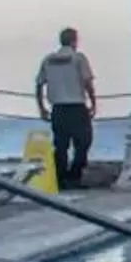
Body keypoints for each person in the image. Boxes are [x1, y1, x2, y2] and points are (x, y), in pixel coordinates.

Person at [36, 26, 98, 188]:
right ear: (73, 41)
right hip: (76, 106)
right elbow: (87, 83)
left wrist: (41, 107)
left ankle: (61, 177)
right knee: (83, 141)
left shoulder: (49, 59)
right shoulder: (78, 59)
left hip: (58, 108)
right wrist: (93, 102)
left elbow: (39, 84)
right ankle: (74, 175)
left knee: (61, 145)